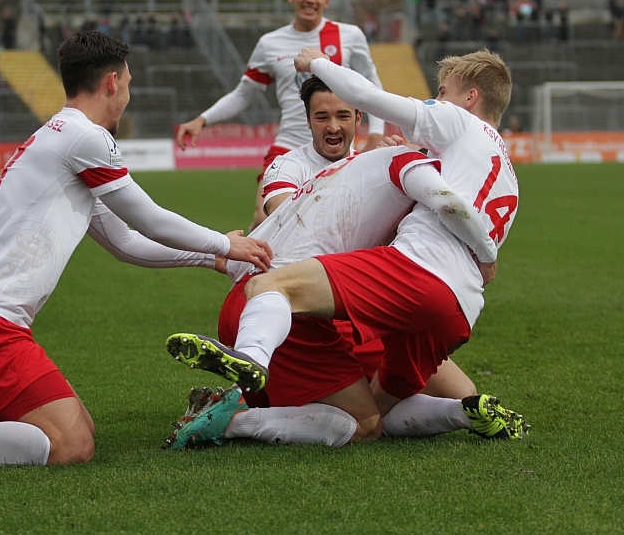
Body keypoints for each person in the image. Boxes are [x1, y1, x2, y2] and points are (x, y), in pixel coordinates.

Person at [0, 31, 272, 470]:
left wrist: (211, 257)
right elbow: (149, 218)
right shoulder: (86, 138)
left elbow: (124, 243)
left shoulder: (61, 137)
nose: (128, 95)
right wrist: (224, 243)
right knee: (71, 446)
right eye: (129, 84)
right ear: (112, 82)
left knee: (81, 426)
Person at [167, 49, 525, 446]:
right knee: (400, 404)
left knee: (277, 293)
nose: (436, 100)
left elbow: (441, 196)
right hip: (460, 307)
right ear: (307, 121)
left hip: (402, 278)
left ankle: (246, 374)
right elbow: (287, 217)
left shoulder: (429, 142)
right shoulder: (506, 178)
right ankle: (462, 413)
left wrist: (317, 61)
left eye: (442, 92)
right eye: (322, 116)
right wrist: (486, 254)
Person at [260, 75, 478, 398]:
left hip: (368, 304)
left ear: (358, 118)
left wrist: (393, 179)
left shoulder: (375, 163)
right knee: (357, 414)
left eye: (343, 116)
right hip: (311, 309)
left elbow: (403, 237)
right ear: (307, 120)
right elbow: (293, 226)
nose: (333, 127)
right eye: (322, 117)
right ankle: (241, 401)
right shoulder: (287, 167)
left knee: (462, 393)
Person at [175, 0, 386, 228]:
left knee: (342, 224)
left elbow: (372, 86)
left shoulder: (349, 36)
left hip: (336, 147)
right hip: (289, 144)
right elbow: (242, 94)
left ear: (326, 1)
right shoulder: (270, 43)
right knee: (263, 219)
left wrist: (375, 133)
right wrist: (202, 119)